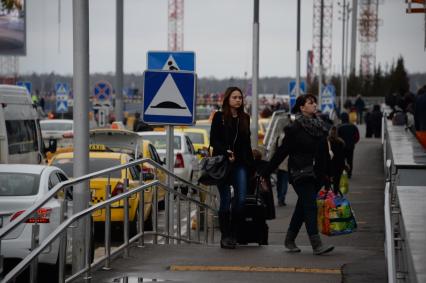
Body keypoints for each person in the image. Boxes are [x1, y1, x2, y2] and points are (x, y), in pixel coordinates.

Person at [260, 94, 334, 255]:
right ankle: (316, 244)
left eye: (315, 102)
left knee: (302, 207)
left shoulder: (320, 126)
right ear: (302, 107)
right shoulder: (294, 129)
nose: (314, 105)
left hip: (317, 174)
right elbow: (281, 152)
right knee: (310, 206)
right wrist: (264, 172)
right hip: (300, 173)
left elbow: (324, 154)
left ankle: (289, 239)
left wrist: (329, 175)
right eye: (310, 102)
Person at [210, 86, 254, 249]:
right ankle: (225, 235)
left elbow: (247, 144)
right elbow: (214, 140)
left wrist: (252, 166)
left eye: (240, 98)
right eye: (234, 97)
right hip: (223, 163)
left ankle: (234, 233)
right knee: (225, 200)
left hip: (240, 164)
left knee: (241, 199)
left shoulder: (245, 118)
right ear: (227, 99)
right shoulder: (219, 117)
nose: (238, 100)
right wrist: (226, 152)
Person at [337, 112, 360, 178]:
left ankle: (342, 172)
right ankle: (349, 173)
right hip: (351, 146)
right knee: (350, 160)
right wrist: (353, 142)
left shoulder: (339, 127)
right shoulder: (353, 126)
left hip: (341, 147)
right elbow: (357, 137)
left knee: (341, 160)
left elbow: (336, 137)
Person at [270, 131, 289, 206]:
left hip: (278, 163)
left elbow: (272, 149)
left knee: (279, 181)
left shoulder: (278, 137)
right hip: (286, 163)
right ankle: (282, 198)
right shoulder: (289, 137)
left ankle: (279, 197)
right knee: (284, 181)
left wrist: (271, 161)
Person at [328, 126, 346, 192]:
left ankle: (328, 195)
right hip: (339, 165)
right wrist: (344, 165)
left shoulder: (327, 142)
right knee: (336, 182)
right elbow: (342, 156)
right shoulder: (341, 142)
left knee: (328, 183)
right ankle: (335, 195)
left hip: (329, 164)